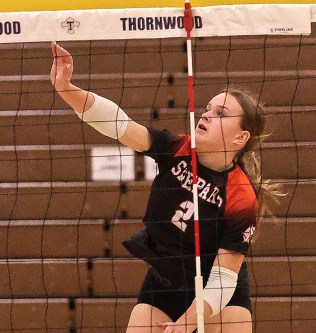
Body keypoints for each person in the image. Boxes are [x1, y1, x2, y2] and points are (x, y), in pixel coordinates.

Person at [50, 41, 281, 333]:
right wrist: (66, 89)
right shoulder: (176, 148)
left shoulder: (240, 196)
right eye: (207, 108)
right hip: (165, 285)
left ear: (240, 138)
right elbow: (119, 124)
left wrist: (187, 324)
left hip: (219, 298)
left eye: (221, 114)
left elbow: (224, 280)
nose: (206, 115)